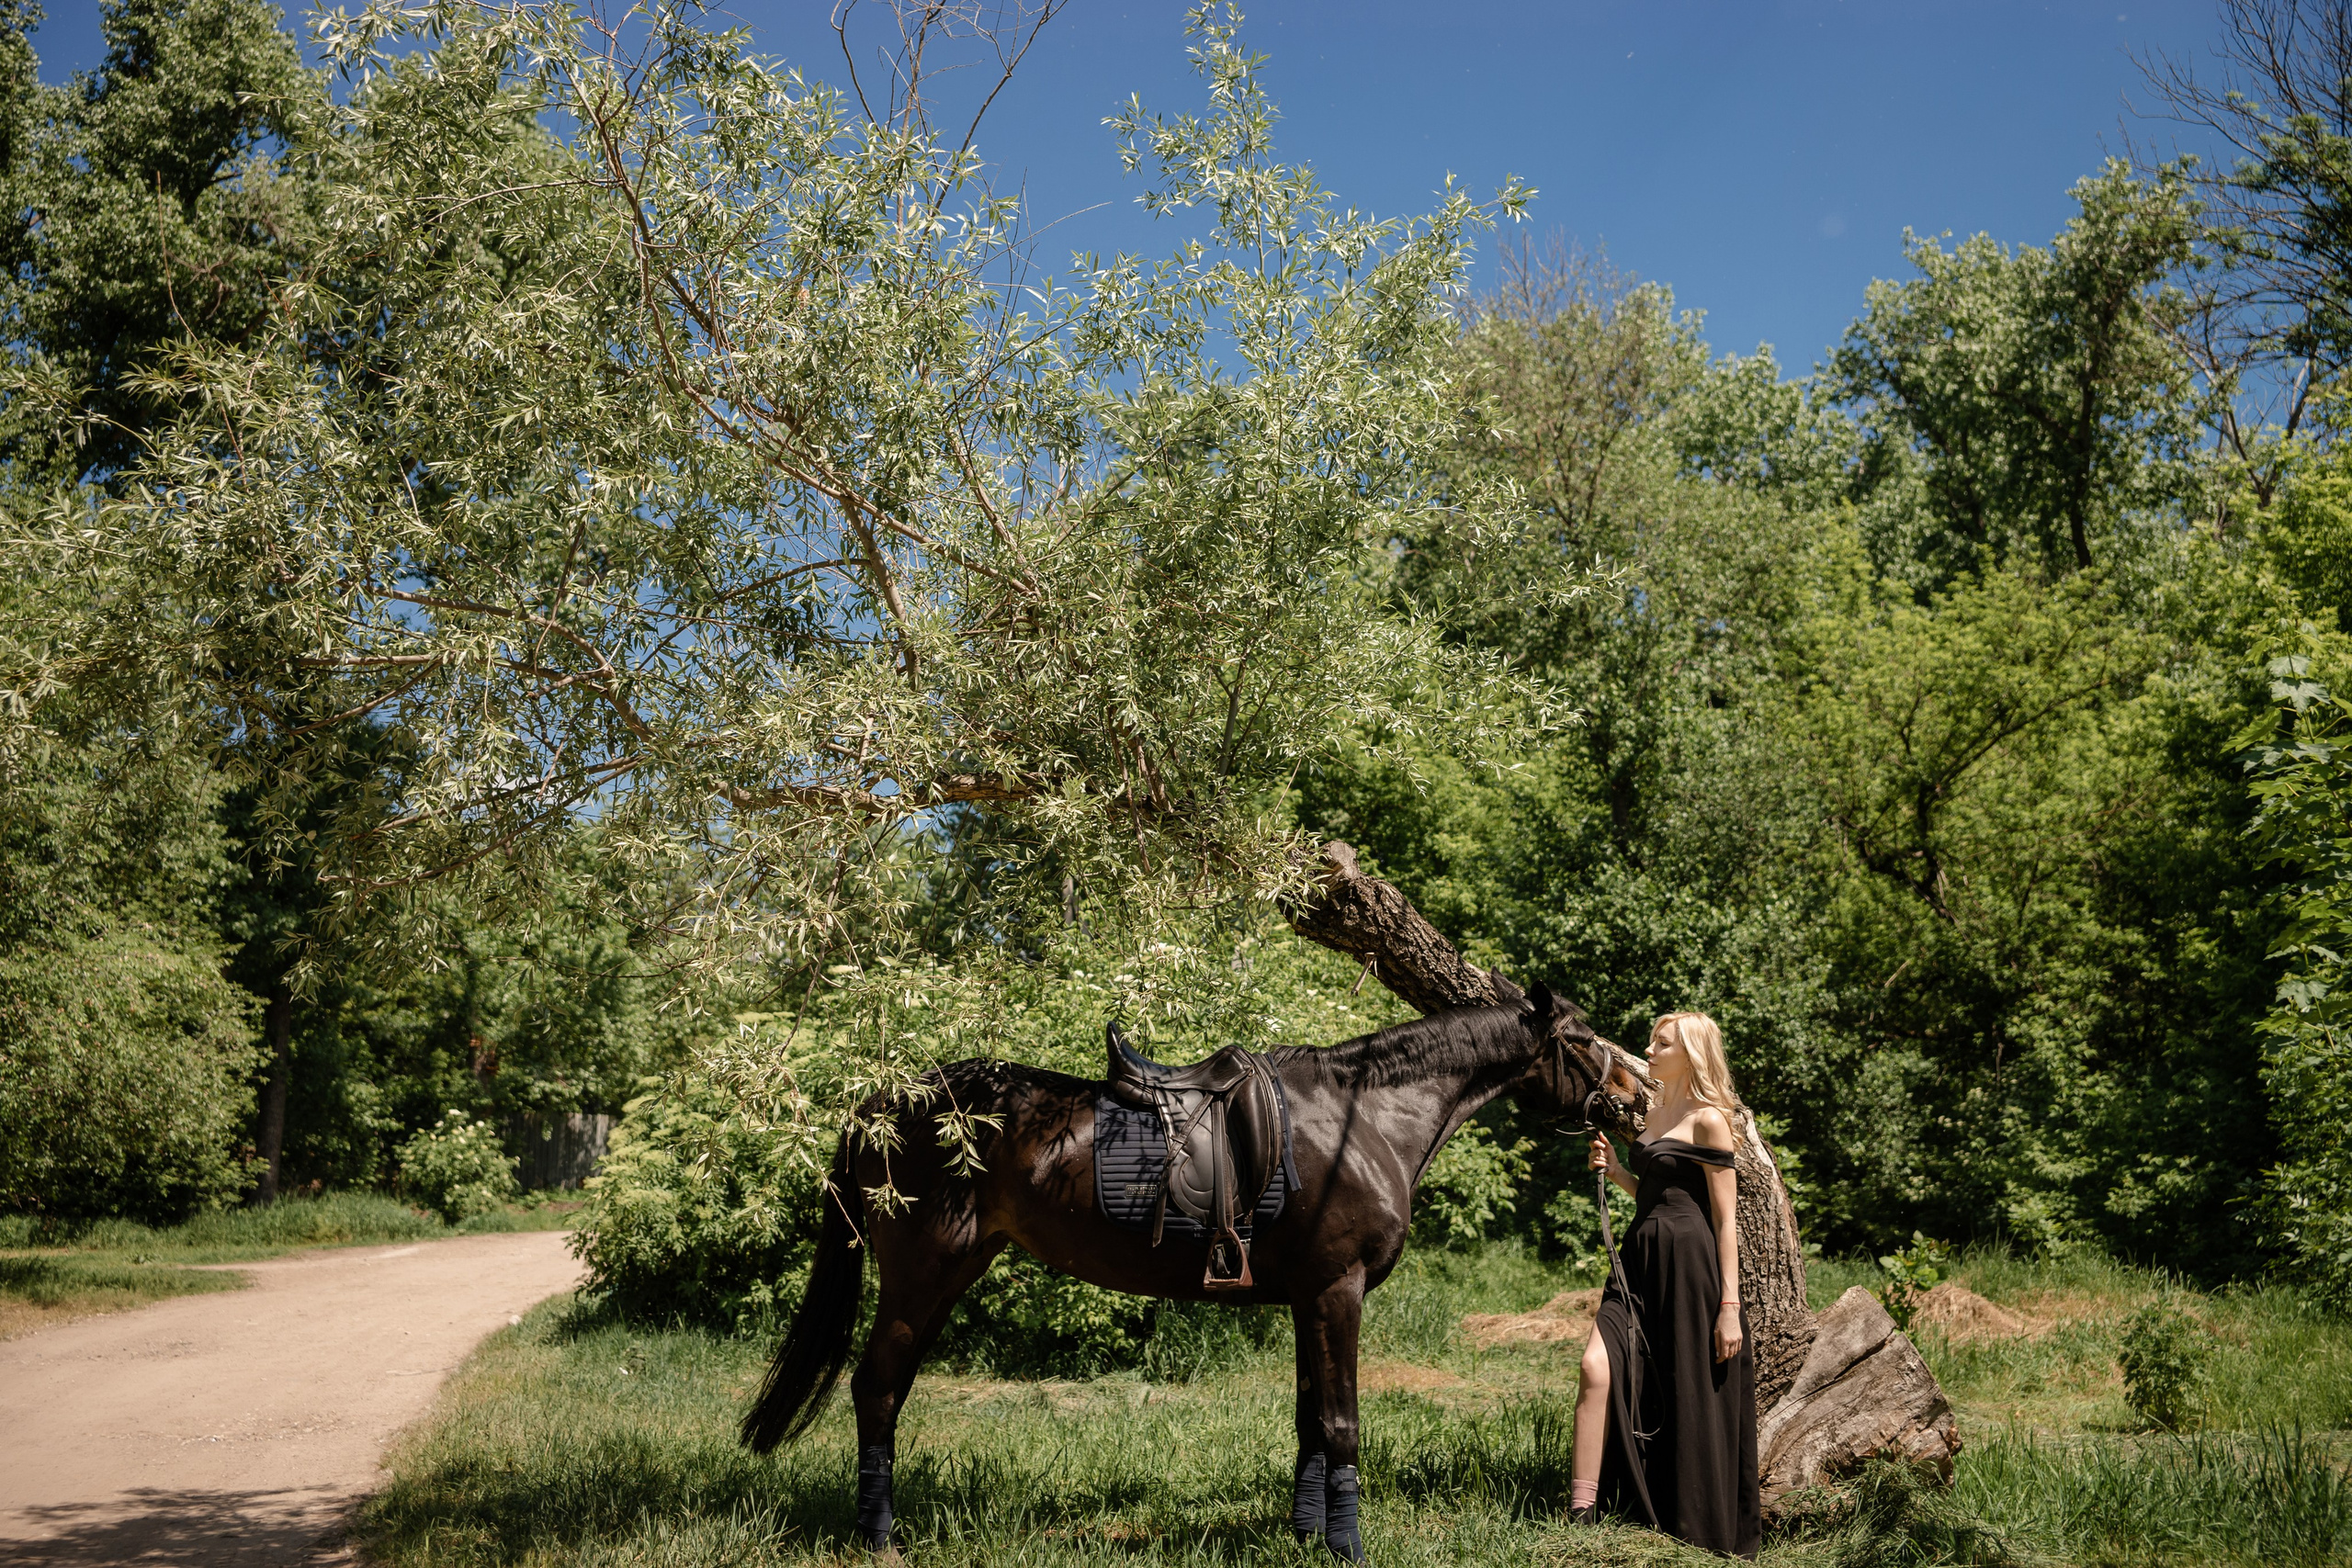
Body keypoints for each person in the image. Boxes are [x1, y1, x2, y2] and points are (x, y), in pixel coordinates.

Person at [1567, 1010, 1760, 1559]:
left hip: (1690, 1269)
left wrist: (1729, 1305)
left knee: (1684, 1389)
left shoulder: (1709, 1120)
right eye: (1652, 1041)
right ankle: (1580, 1514)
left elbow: (1725, 1220)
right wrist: (1617, 1173)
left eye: (1662, 1043)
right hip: (1638, 1259)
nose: (1649, 1050)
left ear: (1692, 1054)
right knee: (1594, 1367)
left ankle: (1690, 1518)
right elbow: (1654, 1196)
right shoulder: (1654, 1111)